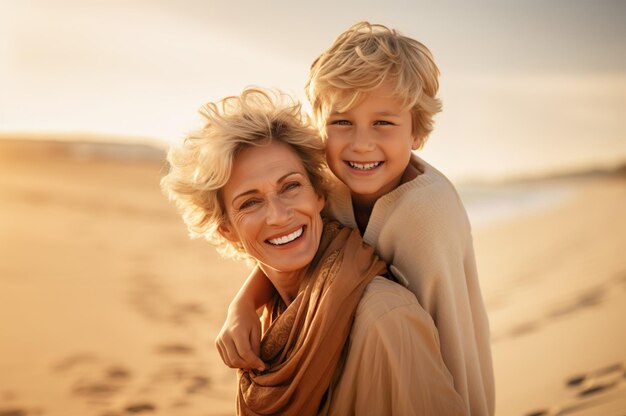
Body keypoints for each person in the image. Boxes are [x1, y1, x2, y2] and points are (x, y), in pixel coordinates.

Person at [216, 22, 495, 415]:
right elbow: (295, 245)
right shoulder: (327, 185)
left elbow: (446, 332)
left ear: (416, 131)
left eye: (383, 123)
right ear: (320, 126)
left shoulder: (426, 214)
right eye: (342, 122)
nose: (361, 143)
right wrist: (243, 305)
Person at [161, 88, 465, 415]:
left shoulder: (386, 318)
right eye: (250, 202)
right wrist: (244, 303)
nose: (279, 215)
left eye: (291, 186)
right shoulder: (274, 312)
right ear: (228, 232)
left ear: (319, 195)